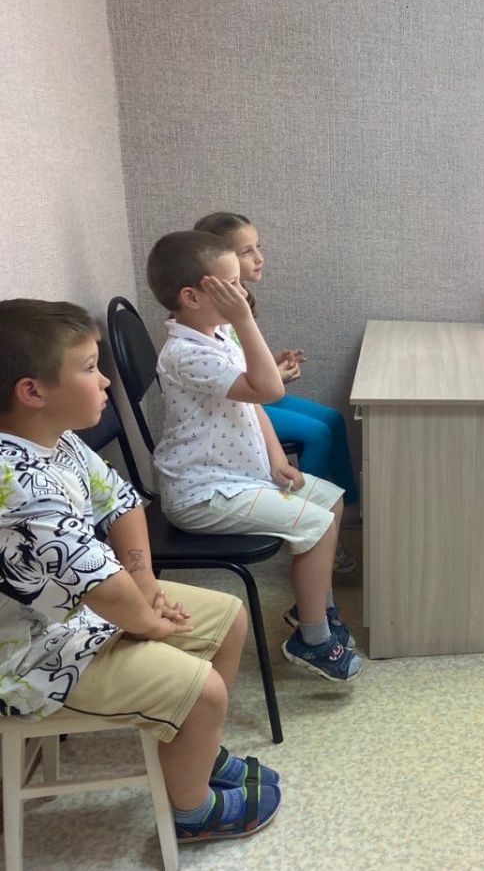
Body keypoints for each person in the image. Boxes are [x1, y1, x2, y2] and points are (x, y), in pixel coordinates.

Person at [0, 298, 281, 841]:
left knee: (228, 617)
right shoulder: (16, 479)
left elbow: (123, 503)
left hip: (85, 616)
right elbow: (97, 582)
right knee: (203, 688)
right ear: (32, 392)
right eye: (89, 368)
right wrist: (146, 621)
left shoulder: (57, 441)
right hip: (28, 658)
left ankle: (196, 752)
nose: (105, 380)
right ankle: (193, 813)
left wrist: (147, 587)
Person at [147, 231, 363, 682]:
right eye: (230, 286)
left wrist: (276, 458)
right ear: (191, 297)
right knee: (316, 525)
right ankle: (313, 639)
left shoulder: (217, 333)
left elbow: (254, 400)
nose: (242, 293)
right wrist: (245, 320)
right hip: (204, 493)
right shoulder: (186, 353)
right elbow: (269, 388)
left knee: (331, 500)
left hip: (241, 476)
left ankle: (314, 606)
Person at [194, 211, 358, 575]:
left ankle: (349, 511)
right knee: (317, 433)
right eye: (246, 251)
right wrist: (273, 378)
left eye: (258, 247)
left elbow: (243, 361)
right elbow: (241, 383)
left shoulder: (239, 302)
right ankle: (315, 522)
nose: (259, 258)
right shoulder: (215, 315)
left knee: (332, 418)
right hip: (242, 405)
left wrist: (275, 365)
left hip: (253, 392)